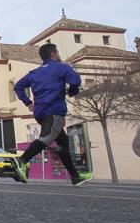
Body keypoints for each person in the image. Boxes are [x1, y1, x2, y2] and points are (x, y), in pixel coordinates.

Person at [13, 43, 93, 186]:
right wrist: (73, 91)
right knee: (46, 138)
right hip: (53, 110)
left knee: (62, 142)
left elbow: (18, 86)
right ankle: (21, 161)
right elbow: (75, 80)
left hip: (39, 112)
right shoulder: (62, 67)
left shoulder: (34, 72)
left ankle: (75, 176)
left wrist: (27, 102)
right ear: (53, 55)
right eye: (57, 53)